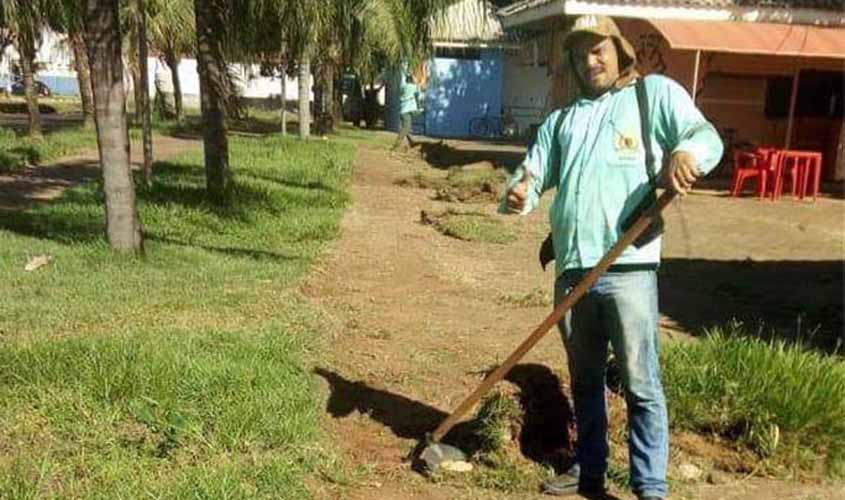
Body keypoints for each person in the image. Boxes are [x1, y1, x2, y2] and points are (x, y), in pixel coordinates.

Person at [500, 15, 723, 500]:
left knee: (642, 385)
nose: (589, 61)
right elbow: (531, 173)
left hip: (629, 271)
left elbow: (706, 137)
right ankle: (590, 472)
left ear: (619, 52)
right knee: (585, 382)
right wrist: (521, 191)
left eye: (597, 50)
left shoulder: (652, 96)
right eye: (579, 55)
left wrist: (685, 155)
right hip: (573, 271)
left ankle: (649, 487)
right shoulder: (563, 120)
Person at [392, 70, 420, 152]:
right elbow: (420, 86)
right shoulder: (412, 87)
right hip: (407, 111)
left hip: (404, 110)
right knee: (406, 128)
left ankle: (412, 142)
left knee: (408, 127)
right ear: (411, 80)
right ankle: (396, 146)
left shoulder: (404, 87)